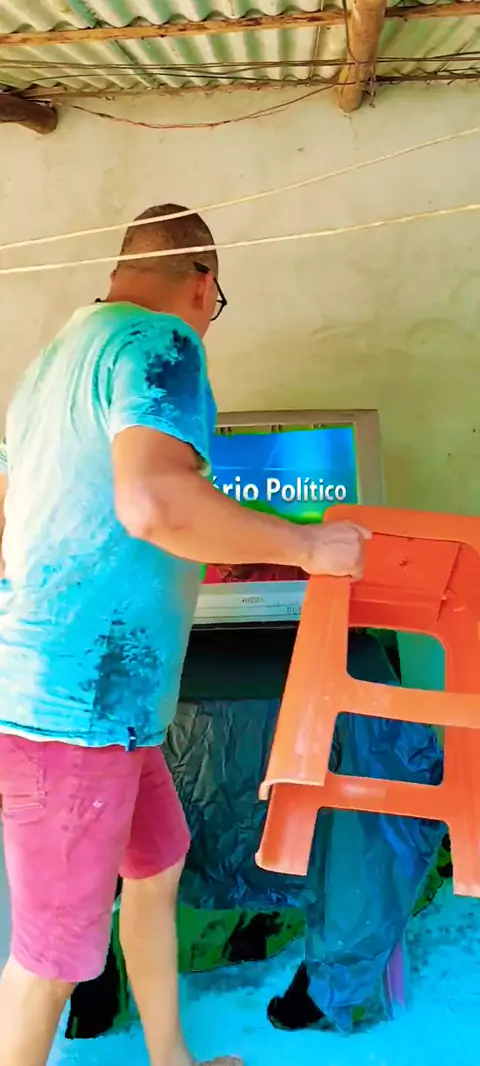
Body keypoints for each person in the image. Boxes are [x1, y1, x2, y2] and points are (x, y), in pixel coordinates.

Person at [0, 203, 370, 1066]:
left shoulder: (53, 361)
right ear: (203, 284)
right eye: (216, 303)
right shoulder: (162, 343)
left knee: (156, 867)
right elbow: (155, 502)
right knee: (50, 960)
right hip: (76, 711)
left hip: (105, 705)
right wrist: (309, 547)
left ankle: (172, 1060)